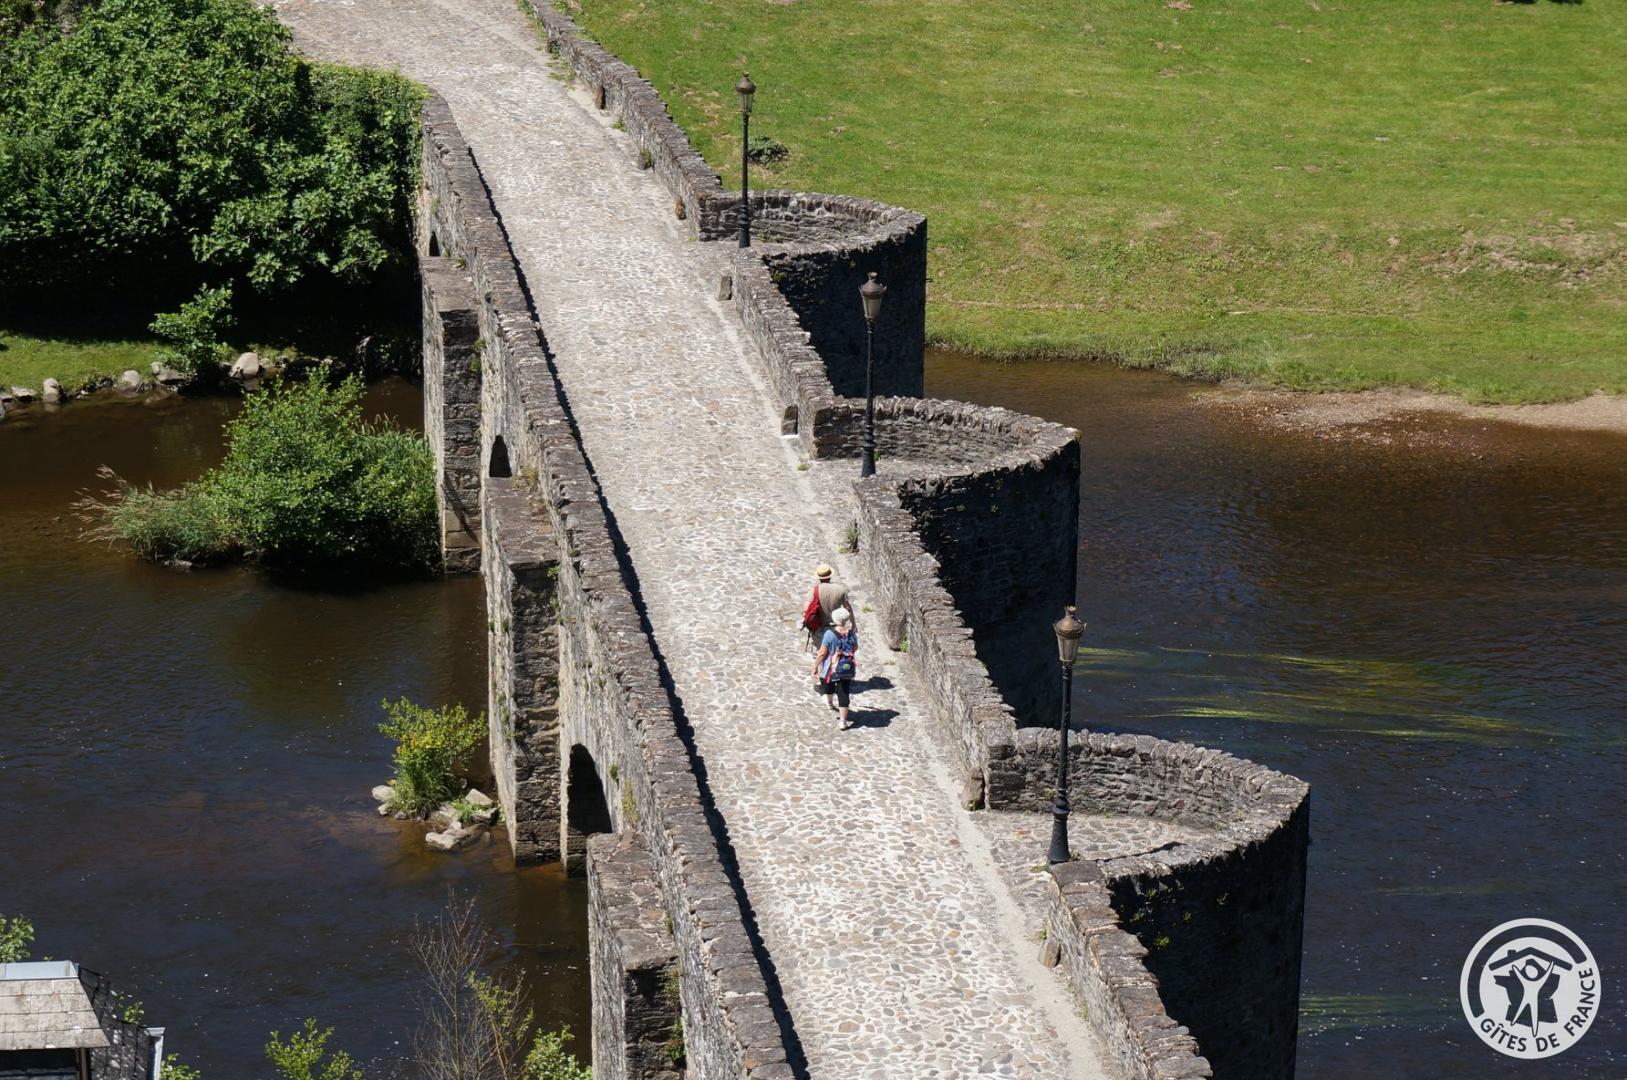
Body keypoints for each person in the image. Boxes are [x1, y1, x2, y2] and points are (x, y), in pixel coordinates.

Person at [814, 607, 859, 729]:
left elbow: (822, 653)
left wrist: (815, 666)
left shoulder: (829, 634)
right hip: (845, 666)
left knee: (828, 684)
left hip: (831, 666)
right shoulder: (851, 634)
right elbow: (855, 648)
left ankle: (829, 703)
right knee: (844, 692)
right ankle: (843, 721)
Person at [800, 564, 850, 648]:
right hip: (836, 627)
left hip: (820, 628)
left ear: (819, 577)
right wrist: (853, 624)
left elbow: (806, 609)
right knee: (835, 651)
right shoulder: (840, 590)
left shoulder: (815, 591)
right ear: (830, 576)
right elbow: (848, 609)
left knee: (821, 652)